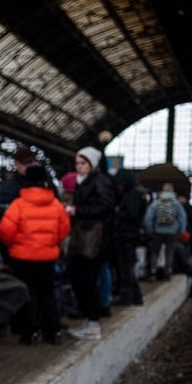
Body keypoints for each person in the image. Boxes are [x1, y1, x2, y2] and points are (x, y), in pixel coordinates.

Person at [0, 165, 70, 345]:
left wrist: (15, 245)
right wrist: (50, 243)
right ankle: (52, 332)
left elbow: (5, 231)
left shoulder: (18, 204)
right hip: (47, 257)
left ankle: (29, 334)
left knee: (26, 294)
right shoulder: (56, 205)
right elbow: (64, 230)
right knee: (47, 294)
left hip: (22, 258)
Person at [66, 146, 114, 341]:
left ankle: (93, 324)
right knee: (81, 279)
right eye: (77, 163)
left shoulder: (99, 182)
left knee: (87, 280)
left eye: (83, 163)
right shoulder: (83, 182)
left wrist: (78, 211)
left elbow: (104, 207)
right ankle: (89, 320)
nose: (79, 167)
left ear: (92, 164)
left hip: (93, 239)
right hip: (84, 237)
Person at [112, 170, 147, 306]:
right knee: (127, 267)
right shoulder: (139, 192)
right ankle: (135, 297)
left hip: (127, 234)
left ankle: (127, 298)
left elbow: (131, 213)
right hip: (131, 234)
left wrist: (118, 212)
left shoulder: (134, 193)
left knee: (126, 268)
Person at [144, 183, 187, 278]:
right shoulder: (176, 203)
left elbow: (148, 217)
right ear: (172, 191)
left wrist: (150, 230)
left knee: (155, 251)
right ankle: (168, 271)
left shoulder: (156, 202)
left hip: (158, 231)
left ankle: (153, 271)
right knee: (169, 251)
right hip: (172, 232)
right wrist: (181, 230)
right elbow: (182, 217)